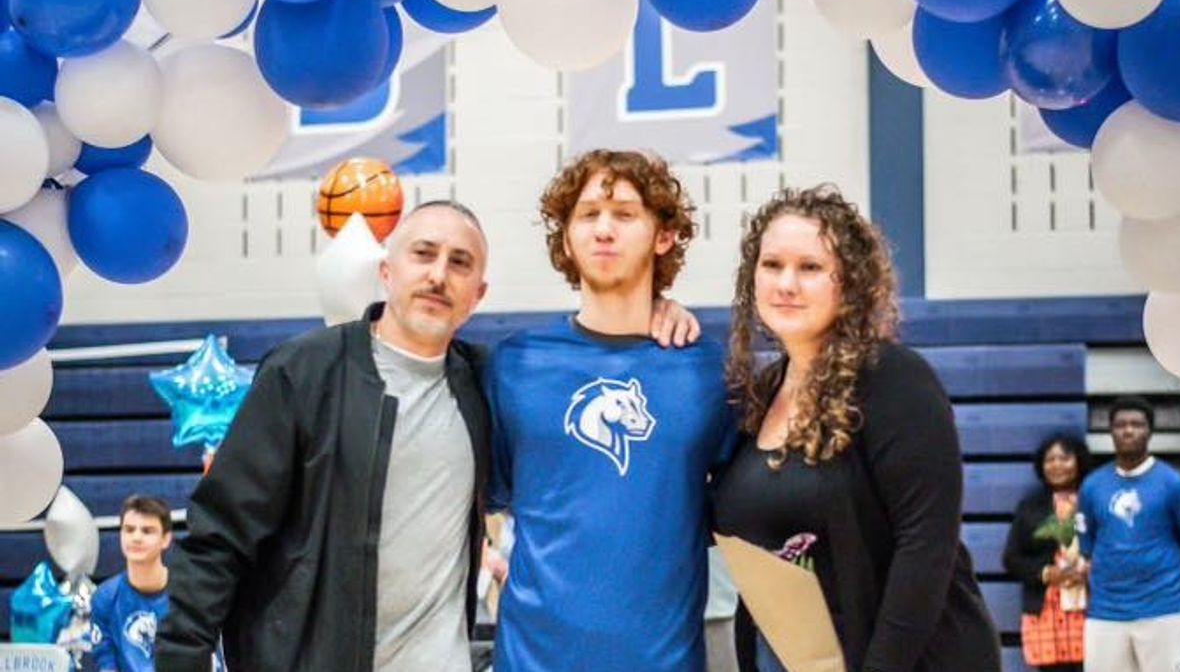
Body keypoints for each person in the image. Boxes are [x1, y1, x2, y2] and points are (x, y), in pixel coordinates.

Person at [156, 201, 493, 672]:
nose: (439, 275)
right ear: (387, 271)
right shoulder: (304, 373)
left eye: (459, 262)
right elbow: (220, 536)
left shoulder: (485, 390)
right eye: (423, 253)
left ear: (478, 294)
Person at [711, 185, 1001, 672]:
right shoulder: (758, 397)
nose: (786, 283)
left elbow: (925, 546)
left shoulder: (893, 379)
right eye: (772, 265)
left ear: (848, 283)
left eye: (810, 268)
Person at [486, 150, 733, 672]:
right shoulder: (515, 365)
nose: (604, 230)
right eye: (588, 215)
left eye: (624, 214)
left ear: (663, 236)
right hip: (532, 661)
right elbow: (485, 497)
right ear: (567, 239)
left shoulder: (708, 372)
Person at [1077, 396, 1180, 672]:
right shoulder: (1092, 486)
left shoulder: (1174, 484)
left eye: (1137, 424)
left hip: (1164, 611)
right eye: (1121, 424)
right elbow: (1087, 547)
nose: (1128, 430)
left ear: (1149, 431)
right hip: (1105, 614)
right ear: (1110, 431)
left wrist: (1162, 573)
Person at [1004, 433, 1092, 672]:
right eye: (1050, 459)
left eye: (1064, 458)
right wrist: (1045, 573)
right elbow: (1011, 559)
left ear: (1079, 461)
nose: (1056, 465)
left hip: (1092, 608)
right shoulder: (1030, 506)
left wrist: (1091, 569)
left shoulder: (1095, 500)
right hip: (1046, 612)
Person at [92, 496, 189, 672]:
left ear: (166, 539)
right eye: (129, 530)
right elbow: (105, 663)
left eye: (147, 530)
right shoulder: (104, 597)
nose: (136, 537)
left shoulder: (189, 594)